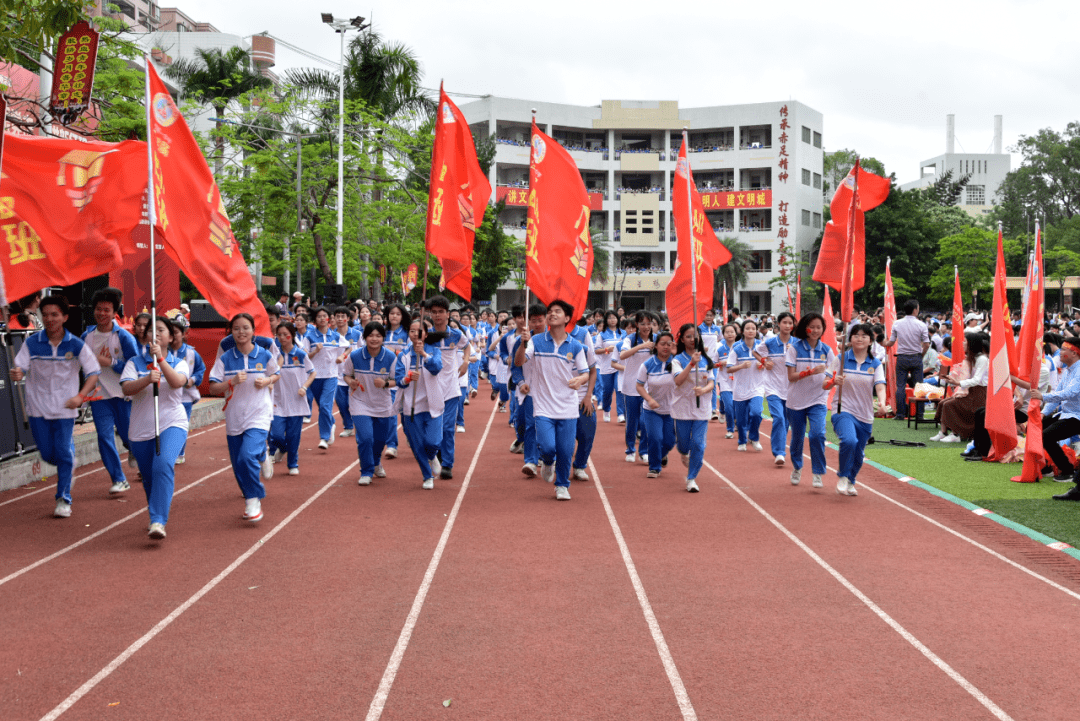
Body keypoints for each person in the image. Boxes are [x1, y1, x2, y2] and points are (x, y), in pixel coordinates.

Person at [9, 295, 101, 518]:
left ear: (64, 317)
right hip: (38, 408)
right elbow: (19, 368)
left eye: (55, 315)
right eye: (46, 315)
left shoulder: (75, 344)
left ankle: (63, 498)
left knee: (61, 452)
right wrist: (17, 373)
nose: (49, 319)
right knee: (49, 455)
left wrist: (80, 396)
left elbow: (93, 373)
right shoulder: (32, 343)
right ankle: (68, 458)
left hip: (65, 409)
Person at [121, 316, 189, 539]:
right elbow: (127, 389)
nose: (156, 334)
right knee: (149, 477)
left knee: (163, 465)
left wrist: (160, 360)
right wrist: (147, 379)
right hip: (141, 429)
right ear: (144, 336)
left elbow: (178, 382)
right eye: (152, 330)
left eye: (161, 330)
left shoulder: (179, 362)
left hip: (172, 423)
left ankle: (158, 520)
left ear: (171, 337)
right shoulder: (134, 363)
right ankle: (155, 515)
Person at [514, 299, 590, 500]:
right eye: (550, 311)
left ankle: (562, 485)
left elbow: (585, 372)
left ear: (567, 318)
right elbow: (519, 361)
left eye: (558, 311)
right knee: (548, 447)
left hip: (567, 406)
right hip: (544, 406)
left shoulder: (576, 346)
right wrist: (523, 343)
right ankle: (548, 462)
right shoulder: (536, 341)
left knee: (565, 450)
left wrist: (580, 380)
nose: (552, 314)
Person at [208, 313, 280, 522]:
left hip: (259, 414)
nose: (241, 332)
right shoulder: (225, 358)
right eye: (237, 328)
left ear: (253, 331)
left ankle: (253, 499)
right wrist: (230, 383)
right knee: (238, 464)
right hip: (235, 416)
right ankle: (262, 455)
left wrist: (267, 381)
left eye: (246, 328)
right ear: (231, 332)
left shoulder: (265, 355)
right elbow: (213, 387)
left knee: (245, 457)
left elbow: (276, 374)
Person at [80, 287, 139, 494]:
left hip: (123, 394)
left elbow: (135, 366)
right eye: (98, 309)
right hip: (98, 395)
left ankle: (132, 449)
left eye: (106, 310)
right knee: (104, 437)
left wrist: (111, 362)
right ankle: (118, 478)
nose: (102, 314)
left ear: (115, 312)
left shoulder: (124, 337)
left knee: (128, 434)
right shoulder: (87, 336)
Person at [826, 324, 887, 496]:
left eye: (864, 336)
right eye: (856, 335)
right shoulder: (841, 359)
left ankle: (851, 480)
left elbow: (880, 386)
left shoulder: (875, 364)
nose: (860, 338)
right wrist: (833, 382)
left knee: (859, 453)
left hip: (865, 414)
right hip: (842, 409)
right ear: (850, 339)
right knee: (849, 441)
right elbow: (825, 383)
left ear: (870, 341)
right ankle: (843, 476)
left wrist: (882, 403)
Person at [344, 322, 398, 486]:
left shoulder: (390, 357)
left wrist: (385, 384)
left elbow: (397, 380)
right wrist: (351, 382)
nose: (374, 339)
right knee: (366, 437)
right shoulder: (354, 356)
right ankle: (366, 471)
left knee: (380, 440)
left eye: (378, 336)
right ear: (365, 337)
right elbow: (346, 375)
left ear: (383, 338)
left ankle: (376, 462)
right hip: (360, 402)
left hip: (382, 404)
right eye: (371, 335)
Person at [395, 316, 444, 489]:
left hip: (433, 404)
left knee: (433, 442)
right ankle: (426, 475)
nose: (415, 334)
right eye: (412, 331)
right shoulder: (403, 355)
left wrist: (423, 354)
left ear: (426, 334)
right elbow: (398, 380)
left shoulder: (434, 350)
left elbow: (437, 368)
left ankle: (432, 457)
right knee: (417, 444)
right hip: (412, 406)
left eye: (419, 331)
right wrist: (407, 379)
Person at [785, 312, 833, 488]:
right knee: (797, 438)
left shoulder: (827, 351)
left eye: (818, 327)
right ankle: (797, 467)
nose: (815, 330)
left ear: (823, 329)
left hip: (818, 400)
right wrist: (810, 372)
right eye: (811, 326)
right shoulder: (794, 348)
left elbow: (830, 377)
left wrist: (833, 381)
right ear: (805, 327)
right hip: (796, 400)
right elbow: (791, 377)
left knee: (817, 434)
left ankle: (818, 472)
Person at [427, 296, 472, 480]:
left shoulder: (455, 334)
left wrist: (466, 362)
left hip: (451, 387)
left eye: (441, 312)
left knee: (447, 428)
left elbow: (467, 346)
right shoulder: (426, 334)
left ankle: (447, 464)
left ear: (447, 314)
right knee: (432, 428)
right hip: (431, 387)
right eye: (434, 312)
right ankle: (435, 453)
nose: (438, 315)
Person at [671, 324, 713, 492]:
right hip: (682, 408)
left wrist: (703, 390)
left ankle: (691, 478)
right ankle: (683, 452)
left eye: (695, 336)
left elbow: (712, 382)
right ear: (682, 339)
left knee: (698, 444)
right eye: (688, 336)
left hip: (701, 408)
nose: (692, 339)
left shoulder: (707, 359)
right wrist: (691, 364)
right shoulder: (677, 360)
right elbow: (678, 380)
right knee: (683, 444)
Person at [1033, 336, 1080, 485]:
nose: (1060, 352)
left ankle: (1067, 471)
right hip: (1066, 414)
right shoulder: (1067, 371)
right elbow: (1057, 398)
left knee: (1047, 436)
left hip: (1077, 416)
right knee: (1037, 427)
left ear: (1074, 353)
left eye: (1064, 349)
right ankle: (1046, 465)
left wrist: (1042, 396)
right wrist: (1042, 414)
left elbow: (1069, 393)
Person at [269, 322, 314, 475]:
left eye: (285, 334)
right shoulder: (274, 355)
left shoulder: (300, 354)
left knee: (294, 436)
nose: (282, 338)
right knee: (275, 434)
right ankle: (282, 448)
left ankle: (292, 463)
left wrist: (304, 387)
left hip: (296, 401)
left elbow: (312, 372)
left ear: (292, 336)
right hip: (277, 400)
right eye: (279, 335)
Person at [930, 332, 989, 443]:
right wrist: (952, 378)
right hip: (970, 391)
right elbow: (964, 375)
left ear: (972, 343)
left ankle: (956, 434)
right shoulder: (970, 358)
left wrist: (958, 383)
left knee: (949, 404)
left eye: (965, 341)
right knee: (943, 403)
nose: (962, 343)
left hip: (979, 394)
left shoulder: (982, 359)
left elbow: (977, 380)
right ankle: (943, 432)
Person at [510, 303, 547, 476]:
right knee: (524, 424)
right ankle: (532, 459)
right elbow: (516, 366)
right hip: (528, 390)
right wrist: (520, 382)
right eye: (534, 320)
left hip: (549, 392)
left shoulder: (554, 339)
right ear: (528, 322)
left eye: (541, 320)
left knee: (538, 425)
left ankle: (533, 460)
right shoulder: (523, 340)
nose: (538, 323)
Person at [636, 331, 677, 479]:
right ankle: (654, 467)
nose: (666, 347)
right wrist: (649, 399)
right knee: (655, 438)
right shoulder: (647, 365)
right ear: (656, 346)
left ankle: (662, 454)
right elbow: (639, 386)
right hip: (652, 410)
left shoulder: (678, 363)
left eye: (669, 344)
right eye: (662, 344)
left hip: (673, 410)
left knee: (670, 441)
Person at [756, 311, 794, 466]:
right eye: (784, 322)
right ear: (778, 324)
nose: (787, 325)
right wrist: (765, 362)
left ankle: (778, 445)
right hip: (772, 387)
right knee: (778, 417)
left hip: (791, 388)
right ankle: (779, 452)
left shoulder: (797, 343)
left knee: (786, 422)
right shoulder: (770, 342)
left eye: (790, 323)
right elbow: (756, 352)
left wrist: (794, 352)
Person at [619, 311, 656, 463]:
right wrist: (642, 345)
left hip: (650, 386)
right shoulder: (630, 338)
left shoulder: (657, 338)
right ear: (637, 325)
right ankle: (630, 450)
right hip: (631, 386)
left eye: (649, 323)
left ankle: (644, 450)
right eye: (642, 324)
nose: (646, 327)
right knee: (632, 421)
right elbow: (622, 355)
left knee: (646, 420)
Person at [884, 299, 930, 420]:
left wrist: (883, 342)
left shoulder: (897, 323)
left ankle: (900, 414)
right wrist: (921, 355)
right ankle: (920, 415)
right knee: (919, 386)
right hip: (916, 357)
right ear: (915, 310)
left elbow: (891, 342)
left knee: (900, 386)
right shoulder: (921, 324)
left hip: (902, 357)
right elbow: (926, 344)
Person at [306, 307, 344, 449]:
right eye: (319, 316)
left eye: (325, 316)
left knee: (324, 405)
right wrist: (315, 350)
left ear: (329, 318)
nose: (322, 318)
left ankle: (324, 437)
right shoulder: (309, 336)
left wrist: (341, 356)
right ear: (315, 319)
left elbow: (349, 347)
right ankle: (331, 422)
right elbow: (306, 357)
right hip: (315, 376)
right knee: (323, 408)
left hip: (331, 376)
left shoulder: (335, 336)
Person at [568, 312, 599, 481]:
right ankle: (551, 460)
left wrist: (588, 396)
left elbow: (592, 370)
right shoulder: (546, 335)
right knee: (562, 440)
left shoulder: (582, 334)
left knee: (587, 431)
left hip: (581, 396)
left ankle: (579, 466)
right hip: (557, 398)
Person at [170, 322, 205, 464]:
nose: (173, 336)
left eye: (176, 332)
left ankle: (180, 452)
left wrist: (193, 380)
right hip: (168, 396)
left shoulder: (191, 353)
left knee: (182, 424)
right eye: (170, 332)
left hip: (185, 396)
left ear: (184, 334)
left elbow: (200, 369)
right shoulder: (163, 352)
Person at [727, 319, 765, 452]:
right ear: (742, 331)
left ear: (756, 331)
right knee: (742, 420)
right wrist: (741, 366)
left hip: (757, 388)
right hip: (740, 389)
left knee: (756, 413)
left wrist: (763, 364)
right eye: (747, 328)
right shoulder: (737, 349)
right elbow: (729, 369)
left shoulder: (762, 346)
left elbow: (770, 362)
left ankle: (754, 438)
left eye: (753, 328)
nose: (750, 330)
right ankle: (742, 440)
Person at [381, 304, 411, 459]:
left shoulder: (407, 333)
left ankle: (411, 435)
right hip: (386, 378)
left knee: (407, 415)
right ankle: (391, 445)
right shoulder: (382, 332)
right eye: (391, 313)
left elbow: (410, 354)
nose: (394, 316)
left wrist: (395, 352)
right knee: (390, 413)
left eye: (397, 314)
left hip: (403, 378)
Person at [333, 305, 362, 439]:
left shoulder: (356, 334)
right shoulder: (331, 335)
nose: (339, 319)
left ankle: (359, 425)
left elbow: (362, 350)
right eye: (337, 316)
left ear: (348, 318)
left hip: (354, 374)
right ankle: (348, 426)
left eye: (342, 317)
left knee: (355, 403)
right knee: (341, 402)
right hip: (337, 375)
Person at [596, 310, 624, 423]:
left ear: (618, 319)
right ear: (606, 320)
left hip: (619, 366)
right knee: (607, 391)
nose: (612, 320)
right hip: (606, 367)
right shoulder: (602, 335)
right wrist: (607, 350)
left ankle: (621, 414)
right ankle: (606, 410)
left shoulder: (622, 333)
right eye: (609, 318)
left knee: (619, 389)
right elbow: (597, 350)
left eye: (614, 317)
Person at [714, 323, 739, 438]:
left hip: (739, 381)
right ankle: (730, 430)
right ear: (723, 334)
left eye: (732, 332)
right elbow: (712, 364)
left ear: (736, 333)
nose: (730, 334)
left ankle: (738, 423)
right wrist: (720, 363)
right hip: (724, 381)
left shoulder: (740, 348)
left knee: (738, 406)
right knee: (729, 406)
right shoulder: (719, 350)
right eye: (727, 332)